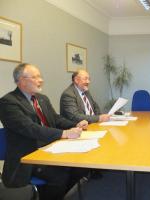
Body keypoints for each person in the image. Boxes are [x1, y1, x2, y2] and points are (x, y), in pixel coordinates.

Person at [0, 63, 89, 200]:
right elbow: (30, 128)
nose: (40, 80)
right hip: (27, 157)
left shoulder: (42, 99)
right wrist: (64, 133)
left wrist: (75, 124)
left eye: (40, 76)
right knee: (60, 174)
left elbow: (56, 119)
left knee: (80, 167)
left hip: (50, 149)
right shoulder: (8, 102)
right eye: (35, 77)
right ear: (22, 81)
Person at [60, 69, 110, 179]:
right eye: (85, 79)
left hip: (90, 125)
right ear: (76, 80)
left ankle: (97, 165)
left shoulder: (85, 91)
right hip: (76, 129)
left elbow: (95, 106)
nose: (88, 81)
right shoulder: (68, 94)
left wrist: (99, 119)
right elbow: (75, 116)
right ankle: (88, 169)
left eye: (89, 78)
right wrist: (98, 118)